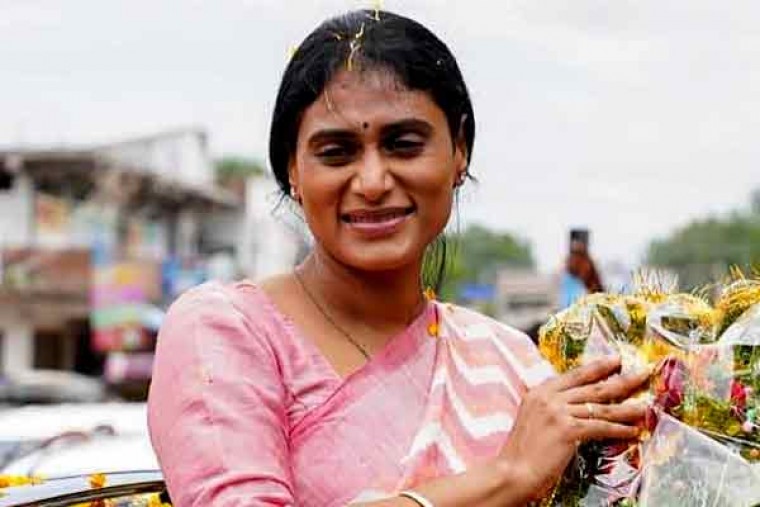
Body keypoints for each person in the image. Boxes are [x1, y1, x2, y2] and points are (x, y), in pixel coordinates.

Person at [147, 10, 648, 507]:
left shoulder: (508, 362)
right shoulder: (225, 331)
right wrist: (506, 477)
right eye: (336, 152)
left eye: (404, 145)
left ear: (459, 152)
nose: (372, 182)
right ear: (292, 169)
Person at [559, 229, 604, 309]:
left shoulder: (586, 262)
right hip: (576, 306)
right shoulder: (571, 263)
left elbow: (596, 287)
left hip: (585, 305)